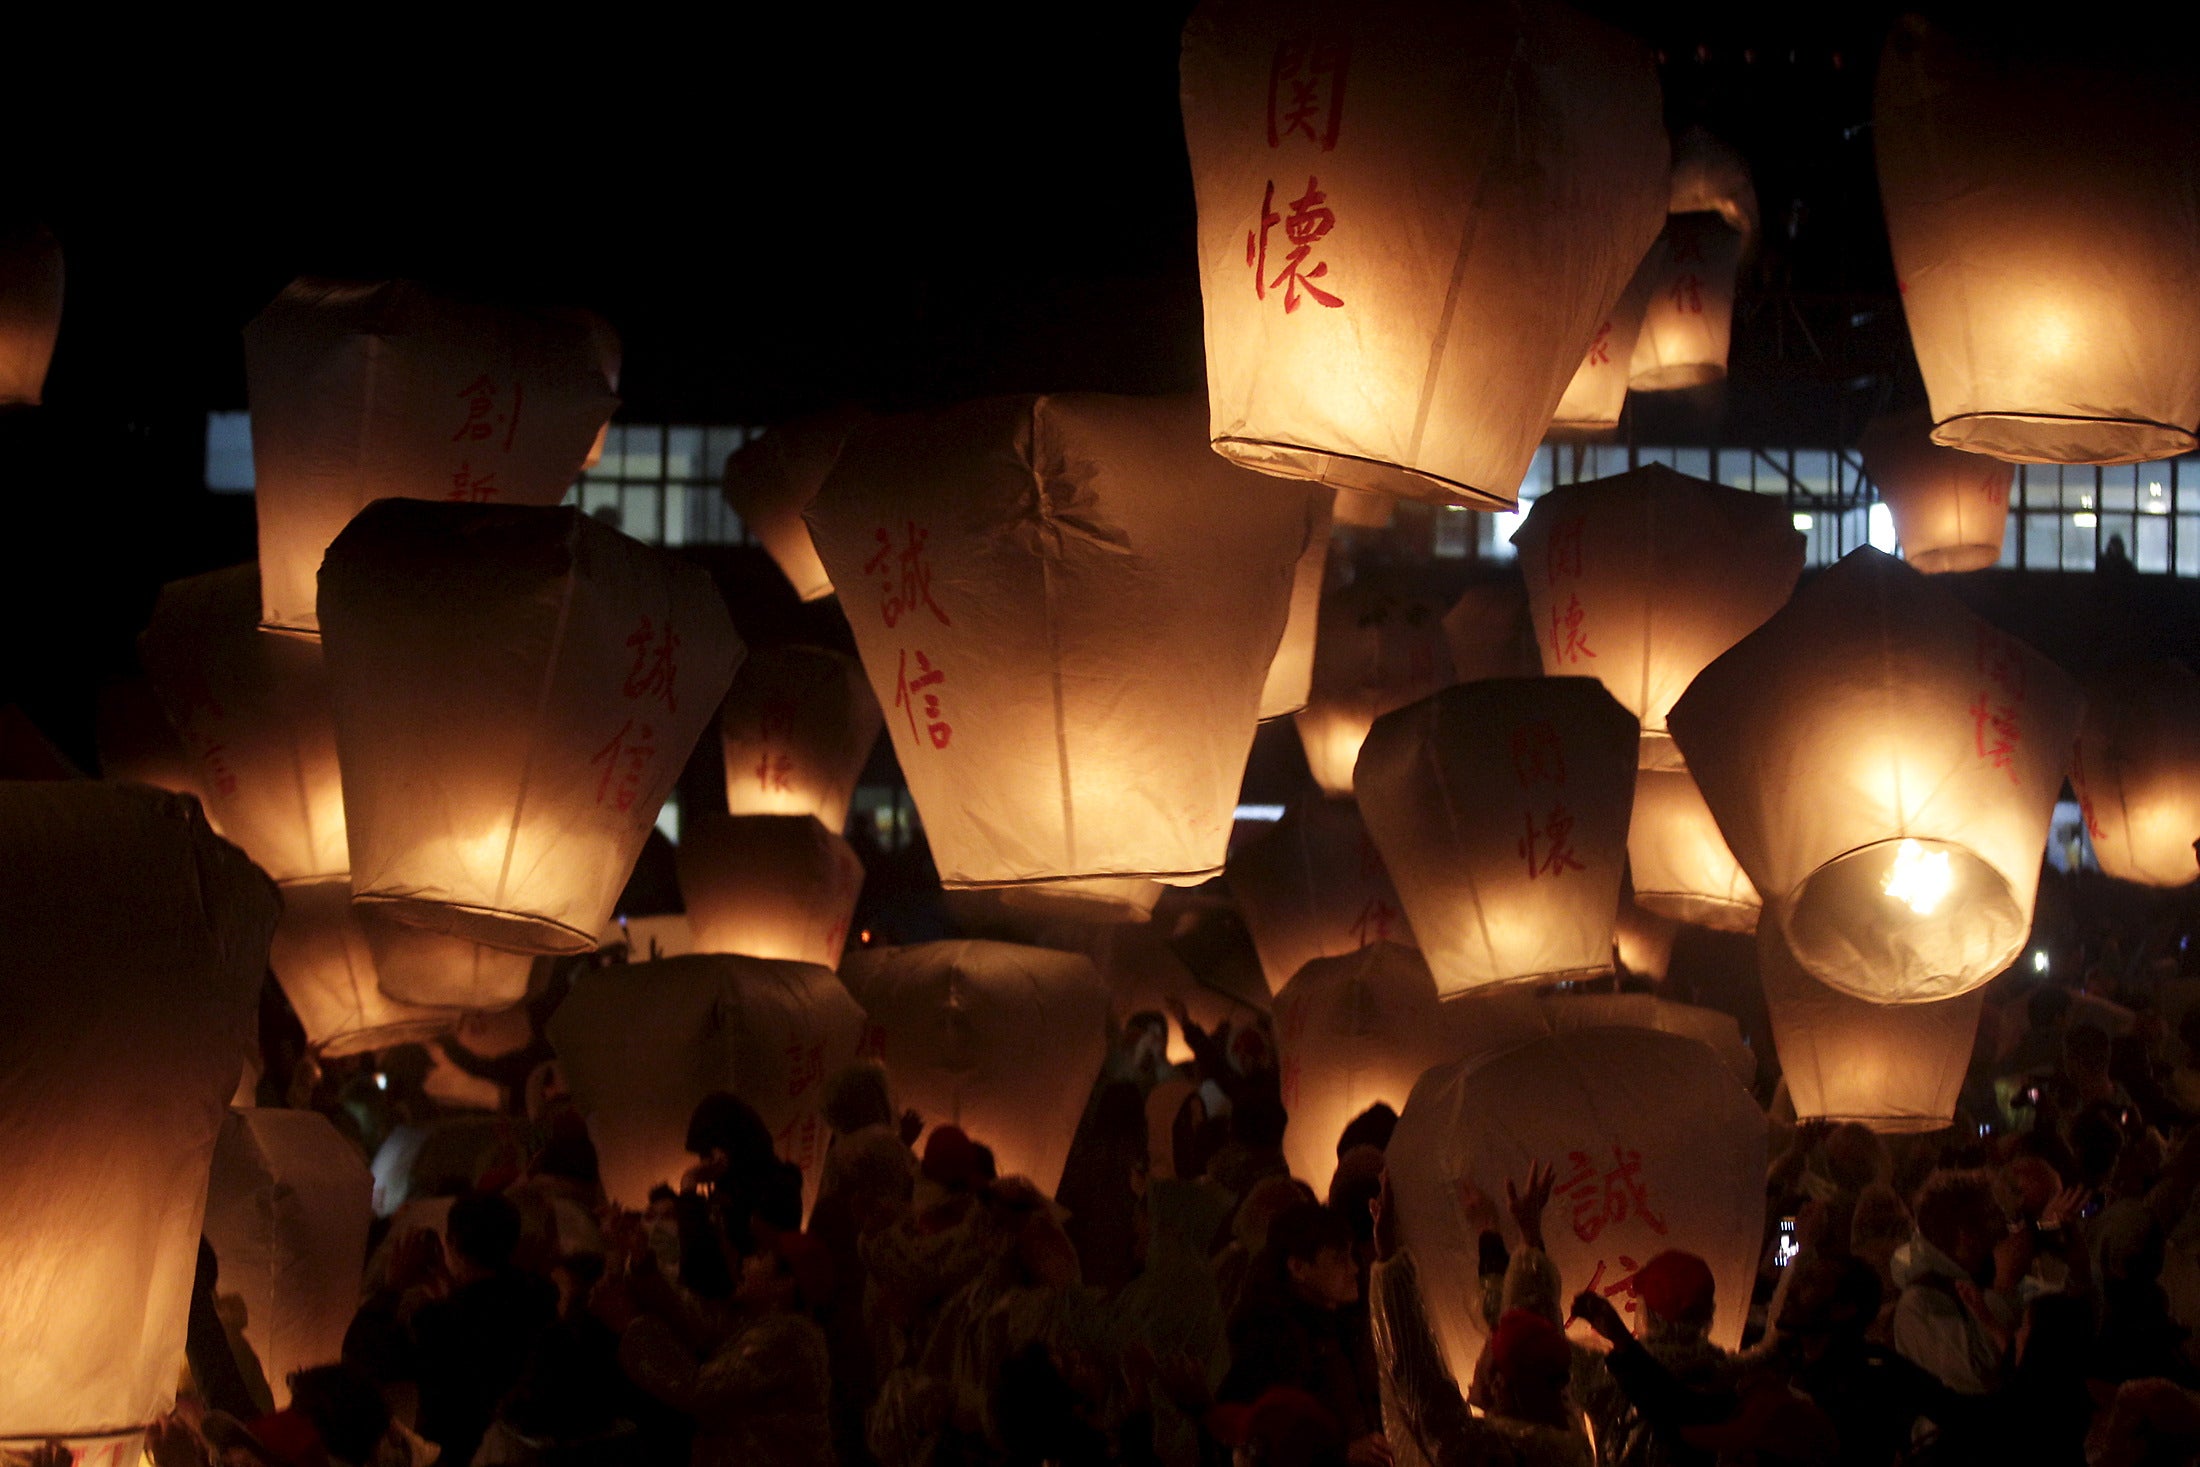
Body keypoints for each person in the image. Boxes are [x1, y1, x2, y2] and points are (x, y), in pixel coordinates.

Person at [1367, 1174, 1591, 1467]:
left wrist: (1390, 1266)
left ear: (1498, 1384)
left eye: (1487, 1350)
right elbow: (1528, 1322)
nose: (1479, 1357)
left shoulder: (1487, 1453)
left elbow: (1422, 1387)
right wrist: (1512, 1238)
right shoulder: (1569, 1436)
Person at [1220, 1202, 1388, 1467]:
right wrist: (1340, 1454)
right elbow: (1263, 1441)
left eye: (1350, 1255)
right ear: (1298, 1268)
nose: (1354, 1268)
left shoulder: (1343, 1324)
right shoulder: (1270, 1345)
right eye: (1338, 1259)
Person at [1890, 1170, 2023, 1396]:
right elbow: (1978, 1374)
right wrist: (2004, 1286)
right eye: (1997, 1217)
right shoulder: (1920, 1303)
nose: (2007, 1230)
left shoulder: (1979, 1278)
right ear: (1966, 1235)